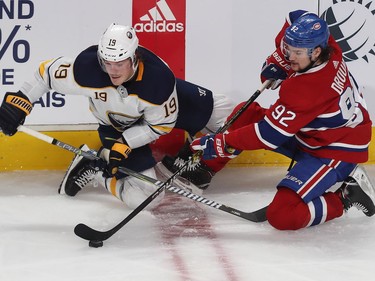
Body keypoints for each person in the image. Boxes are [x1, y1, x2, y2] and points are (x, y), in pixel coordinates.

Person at [0, 23, 233, 209]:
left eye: (120, 62)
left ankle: (188, 160)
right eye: (107, 62)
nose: (112, 70)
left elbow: (160, 126)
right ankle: (94, 166)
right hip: (116, 127)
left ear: (134, 58)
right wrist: (20, 101)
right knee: (147, 198)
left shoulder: (158, 82)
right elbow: (46, 74)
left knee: (229, 117)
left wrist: (128, 143)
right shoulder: (87, 69)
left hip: (158, 110)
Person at [189, 10, 375, 230]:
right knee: (246, 112)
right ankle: (202, 171)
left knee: (283, 216)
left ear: (316, 52)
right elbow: (297, 15)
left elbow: (267, 135)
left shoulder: (307, 91)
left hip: (334, 150)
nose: (290, 57)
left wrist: (221, 143)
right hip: (312, 132)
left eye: (297, 53)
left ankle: (346, 196)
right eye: (289, 49)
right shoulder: (328, 47)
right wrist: (280, 59)